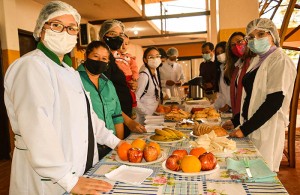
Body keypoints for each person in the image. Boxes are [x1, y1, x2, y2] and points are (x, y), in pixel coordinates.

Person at [4, 1, 122, 194]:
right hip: (49, 178)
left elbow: (88, 117)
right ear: (41, 30)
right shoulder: (31, 66)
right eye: (57, 25)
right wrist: (68, 180)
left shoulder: (69, 71)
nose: (64, 32)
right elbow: (37, 128)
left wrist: (116, 142)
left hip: (76, 169)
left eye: (71, 28)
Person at [228, 18, 296, 172]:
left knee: (261, 174)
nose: (255, 39)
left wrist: (245, 129)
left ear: (273, 35)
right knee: (249, 172)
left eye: (261, 34)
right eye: (251, 37)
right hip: (252, 126)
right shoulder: (258, 60)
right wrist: (236, 120)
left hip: (266, 128)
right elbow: (251, 97)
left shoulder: (280, 60)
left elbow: (274, 102)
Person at [77, 41, 124, 160]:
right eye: (95, 56)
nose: (99, 61)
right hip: (87, 148)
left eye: (104, 58)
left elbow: (117, 117)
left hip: (111, 145)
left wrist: (119, 145)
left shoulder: (108, 84)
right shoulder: (74, 80)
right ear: (86, 56)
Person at [99, 19, 146, 137]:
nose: (118, 38)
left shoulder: (113, 59)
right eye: (113, 34)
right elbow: (106, 97)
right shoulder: (103, 61)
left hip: (123, 114)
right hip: (116, 117)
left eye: (120, 35)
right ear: (103, 36)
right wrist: (127, 121)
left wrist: (129, 84)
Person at [112, 34, 138, 119]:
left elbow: (134, 67)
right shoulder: (113, 55)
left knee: (131, 94)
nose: (123, 46)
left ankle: (133, 110)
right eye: (121, 43)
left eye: (126, 44)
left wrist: (135, 76)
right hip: (118, 78)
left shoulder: (129, 57)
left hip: (128, 77)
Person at [135, 47, 162, 124]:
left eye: (157, 56)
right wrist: (147, 113)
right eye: (151, 57)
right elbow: (135, 98)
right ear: (145, 60)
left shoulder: (155, 72)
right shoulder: (144, 75)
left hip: (151, 115)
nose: (155, 59)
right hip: (143, 117)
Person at [213, 41, 231, 112]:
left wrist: (230, 105)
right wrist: (214, 107)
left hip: (233, 109)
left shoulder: (235, 68)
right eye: (217, 53)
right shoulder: (220, 69)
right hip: (224, 109)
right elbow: (221, 94)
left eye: (222, 52)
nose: (220, 55)